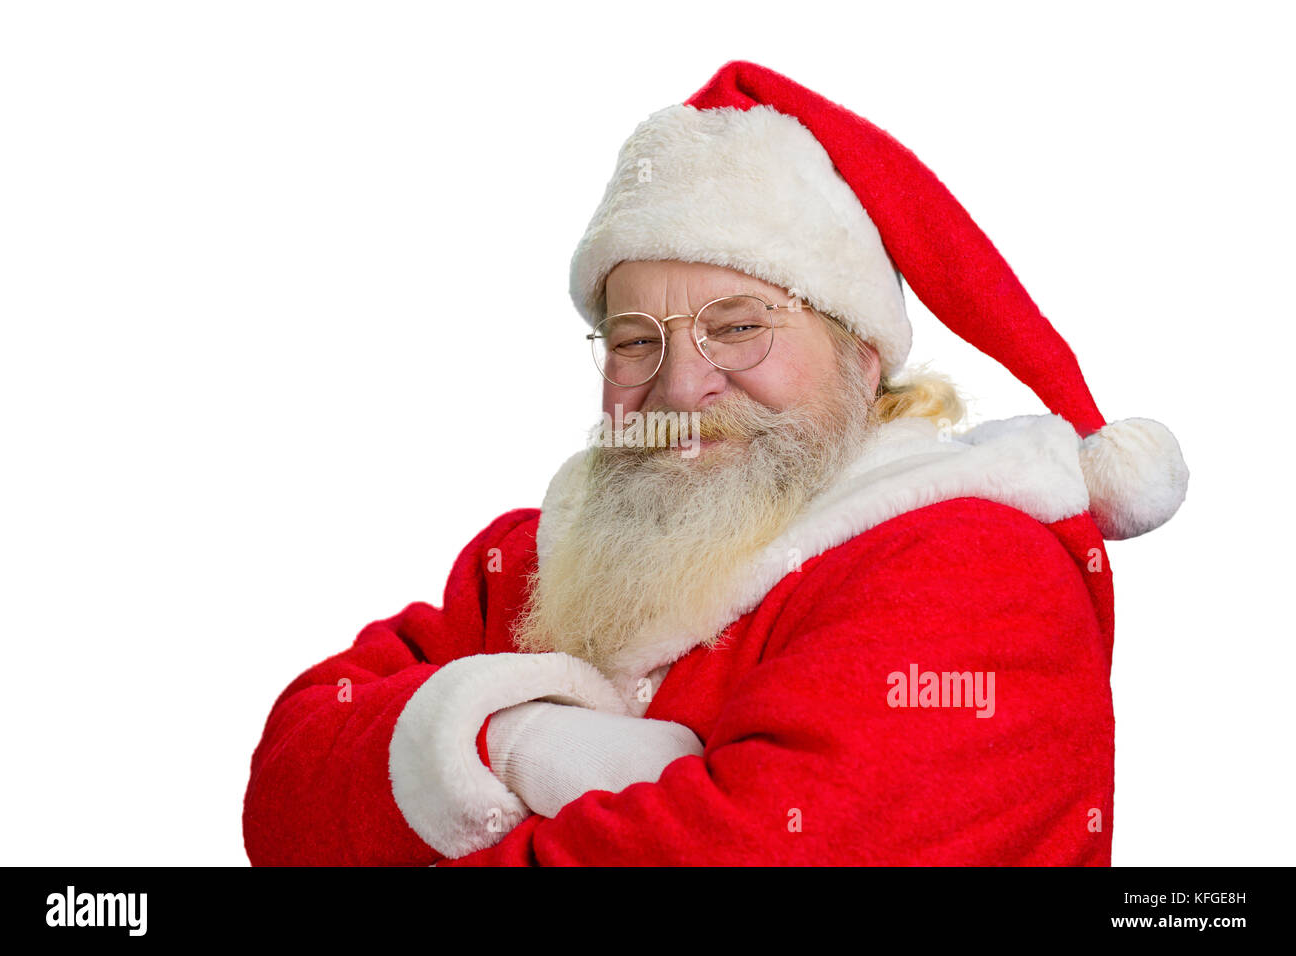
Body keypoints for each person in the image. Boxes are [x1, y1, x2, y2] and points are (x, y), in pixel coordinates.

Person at [241, 60, 1189, 866]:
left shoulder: (976, 568)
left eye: (737, 327)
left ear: (864, 356)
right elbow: (286, 783)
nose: (678, 385)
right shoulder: (531, 560)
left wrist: (435, 772)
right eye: (632, 339)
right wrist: (528, 741)